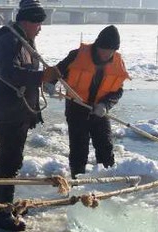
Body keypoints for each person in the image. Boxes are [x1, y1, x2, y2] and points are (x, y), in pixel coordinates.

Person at [0, 0, 55, 231]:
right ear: (26, 21)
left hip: (19, 112)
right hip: (8, 113)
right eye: (37, 23)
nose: (40, 28)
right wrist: (40, 77)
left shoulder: (26, 42)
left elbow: (28, 73)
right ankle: (1, 213)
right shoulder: (9, 41)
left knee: (13, 160)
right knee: (7, 160)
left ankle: (6, 204)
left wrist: (45, 82)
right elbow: (8, 72)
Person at [47, 25, 129, 179]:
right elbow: (57, 71)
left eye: (110, 51)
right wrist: (50, 83)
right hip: (77, 106)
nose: (106, 54)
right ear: (97, 45)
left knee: (105, 146)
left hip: (99, 109)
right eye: (104, 49)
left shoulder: (118, 62)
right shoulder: (77, 55)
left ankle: (107, 180)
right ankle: (77, 180)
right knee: (79, 148)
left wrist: (105, 105)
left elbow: (117, 91)